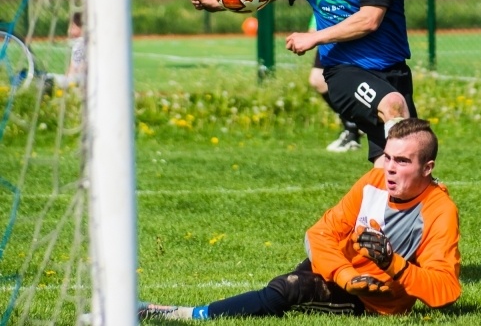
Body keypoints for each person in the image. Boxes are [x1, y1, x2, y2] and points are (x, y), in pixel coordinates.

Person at [138, 118, 461, 320]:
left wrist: (393, 264)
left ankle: (183, 314)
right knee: (289, 284)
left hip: (372, 300)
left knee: (287, 289)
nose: (389, 168)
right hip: (345, 273)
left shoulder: (438, 211)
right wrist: (345, 273)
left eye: (402, 161)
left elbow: (445, 293)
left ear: (427, 167)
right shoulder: (374, 180)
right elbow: (320, 234)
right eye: (388, 157)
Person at [189, 0, 416, 167]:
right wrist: (218, 2)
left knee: (399, 163)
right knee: (394, 109)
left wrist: (313, 37)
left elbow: (369, 19)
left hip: (392, 70)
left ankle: (380, 205)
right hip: (344, 70)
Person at [307, 15, 362, 153]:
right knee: (317, 79)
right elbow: (312, 29)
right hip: (328, 39)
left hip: (351, 34)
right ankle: (353, 125)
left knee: (353, 81)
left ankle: (354, 130)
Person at [46, 11, 85, 89]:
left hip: (79, 80)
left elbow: (78, 69)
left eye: (73, 27)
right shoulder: (78, 44)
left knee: (46, 79)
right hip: (74, 80)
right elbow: (72, 66)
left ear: (83, 28)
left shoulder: (82, 44)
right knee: (47, 77)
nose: (69, 31)